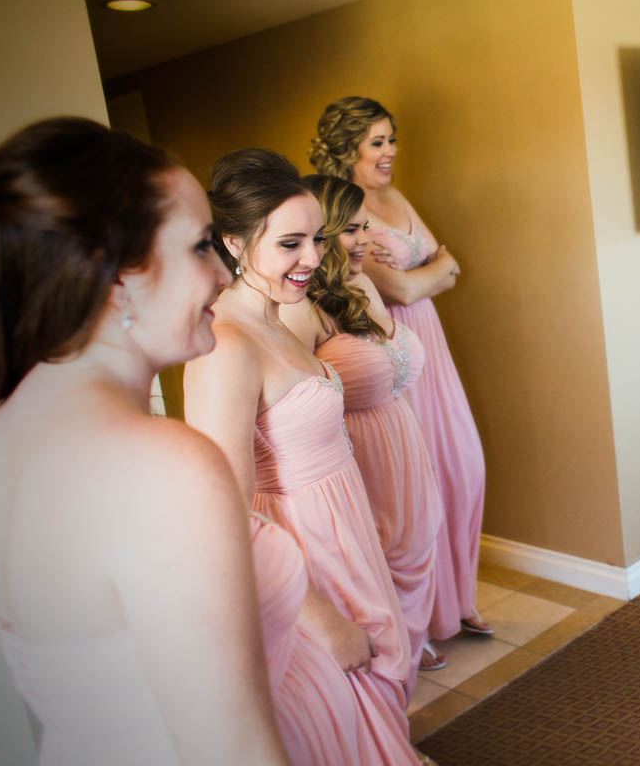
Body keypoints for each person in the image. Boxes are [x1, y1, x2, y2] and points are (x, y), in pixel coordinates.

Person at [0, 117, 290, 764]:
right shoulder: (165, 466)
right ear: (117, 276)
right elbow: (232, 750)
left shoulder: (5, 430)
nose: (224, 274)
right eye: (201, 246)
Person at [182, 149, 419, 765]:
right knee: (350, 707)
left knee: (383, 690)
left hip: (345, 532)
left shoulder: (278, 320)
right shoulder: (225, 346)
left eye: (316, 238)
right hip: (305, 552)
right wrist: (318, 617)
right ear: (234, 243)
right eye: (290, 243)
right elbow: (226, 513)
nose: (312, 257)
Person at [311, 97, 487, 640]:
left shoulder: (394, 196)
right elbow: (407, 287)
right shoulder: (341, 212)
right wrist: (429, 272)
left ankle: (459, 599)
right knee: (418, 486)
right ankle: (426, 620)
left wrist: (427, 274)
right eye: (378, 142)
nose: (391, 151)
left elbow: (449, 267)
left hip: (430, 345)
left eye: (392, 139)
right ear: (348, 149)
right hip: (388, 349)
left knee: (463, 468)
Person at [284, 174, 447, 688]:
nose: (365, 240)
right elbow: (292, 407)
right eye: (351, 230)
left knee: (418, 546)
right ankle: (391, 685)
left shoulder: (363, 286)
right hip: (359, 457)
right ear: (322, 234)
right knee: (377, 574)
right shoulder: (300, 310)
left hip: (402, 440)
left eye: (366, 227)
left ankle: (411, 655)